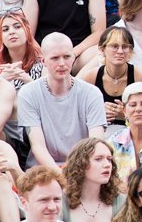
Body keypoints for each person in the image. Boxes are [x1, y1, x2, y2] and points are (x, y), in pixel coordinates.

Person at [15, 33, 106, 169]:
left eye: (67, 57)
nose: (62, 63)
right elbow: (38, 146)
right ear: (43, 61)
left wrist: (76, 173)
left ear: (73, 57)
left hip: (83, 167)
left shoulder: (92, 93)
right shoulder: (28, 93)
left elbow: (96, 142)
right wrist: (60, 176)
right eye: (55, 58)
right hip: (43, 169)